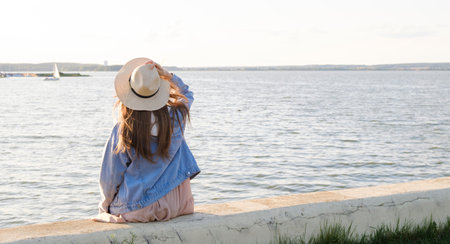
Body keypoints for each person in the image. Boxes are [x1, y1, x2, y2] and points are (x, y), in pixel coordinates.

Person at [93, 57, 200, 223]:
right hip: (179, 204)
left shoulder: (124, 128)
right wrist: (168, 76)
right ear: (159, 91)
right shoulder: (176, 118)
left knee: (112, 207)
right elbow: (186, 94)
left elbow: (111, 176)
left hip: (140, 208)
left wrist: (104, 207)